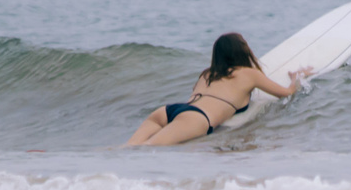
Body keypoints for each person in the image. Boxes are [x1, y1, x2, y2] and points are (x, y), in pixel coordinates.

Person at [126, 31, 309, 146]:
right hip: (196, 119)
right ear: (242, 51)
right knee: (146, 149)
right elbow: (287, 93)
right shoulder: (248, 74)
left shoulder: (207, 74)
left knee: (126, 148)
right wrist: (297, 77)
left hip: (168, 111)